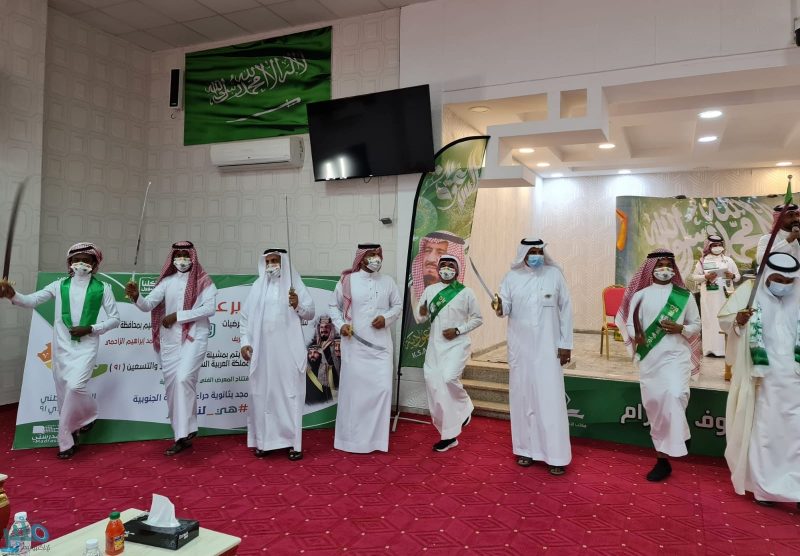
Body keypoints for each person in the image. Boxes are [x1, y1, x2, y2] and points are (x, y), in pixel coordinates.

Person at [0, 243, 119, 459]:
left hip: (86, 346)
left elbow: (115, 319)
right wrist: (12, 294)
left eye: (86, 260)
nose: (80, 263)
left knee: (75, 387)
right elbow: (31, 300)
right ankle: (70, 438)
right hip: (62, 346)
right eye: (76, 259)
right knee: (64, 393)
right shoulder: (58, 285)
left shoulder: (104, 288)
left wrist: (92, 328)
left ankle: (88, 415)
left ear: (94, 264)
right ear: (69, 263)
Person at [719, 251, 800, 508]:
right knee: (766, 434)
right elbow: (725, 321)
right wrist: (738, 321)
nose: (784, 286)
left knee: (795, 434)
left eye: (789, 281)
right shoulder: (749, 293)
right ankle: (765, 488)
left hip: (795, 379)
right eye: (778, 280)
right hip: (762, 379)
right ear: (766, 276)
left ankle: (795, 487)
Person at [615, 249, 701, 481]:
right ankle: (662, 460)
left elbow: (696, 324)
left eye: (669, 265)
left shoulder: (684, 296)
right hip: (650, 358)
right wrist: (637, 335)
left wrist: (682, 328)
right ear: (650, 269)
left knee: (676, 394)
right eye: (660, 265)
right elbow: (630, 323)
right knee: (655, 406)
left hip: (676, 356)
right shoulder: (640, 295)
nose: (665, 269)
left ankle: (681, 433)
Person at [125, 241, 217, 456]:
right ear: (172, 258)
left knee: (184, 379)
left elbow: (209, 309)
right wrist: (136, 296)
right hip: (169, 340)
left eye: (186, 255)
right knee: (173, 386)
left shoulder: (204, 282)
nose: (181, 259)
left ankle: (188, 428)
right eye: (178, 255)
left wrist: (178, 316)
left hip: (194, 337)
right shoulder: (167, 282)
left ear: (192, 257)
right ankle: (181, 435)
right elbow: (148, 305)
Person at [495, 238, 573, 475]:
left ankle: (556, 455)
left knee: (550, 400)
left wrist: (566, 344)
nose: (536, 255)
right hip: (521, 350)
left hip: (549, 349)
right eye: (531, 251)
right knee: (523, 399)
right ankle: (525, 450)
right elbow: (504, 308)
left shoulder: (554, 275)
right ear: (523, 254)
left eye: (539, 251)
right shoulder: (511, 277)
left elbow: (566, 309)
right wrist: (499, 306)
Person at [239, 249, 314, 461]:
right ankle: (265, 442)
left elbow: (310, 312)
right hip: (262, 352)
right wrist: (245, 343)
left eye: (275, 260)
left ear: (284, 262)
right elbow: (245, 318)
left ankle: (293, 444)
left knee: (289, 395)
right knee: (263, 395)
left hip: (287, 352)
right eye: (269, 261)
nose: (271, 264)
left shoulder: (295, 285)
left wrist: (298, 304)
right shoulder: (258, 286)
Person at [330, 244, 402, 453]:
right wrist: (341, 325)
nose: (376, 258)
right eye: (371, 255)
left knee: (382, 390)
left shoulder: (388, 281)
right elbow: (333, 306)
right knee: (355, 394)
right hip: (355, 347)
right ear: (361, 259)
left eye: (378, 254)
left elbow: (397, 306)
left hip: (381, 348)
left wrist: (386, 318)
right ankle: (351, 440)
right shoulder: (347, 281)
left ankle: (376, 441)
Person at [415, 255, 482, 452]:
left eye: (450, 265)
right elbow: (421, 318)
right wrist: (422, 311)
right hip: (435, 346)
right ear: (438, 269)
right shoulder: (430, 290)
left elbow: (478, 318)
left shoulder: (466, 292)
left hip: (457, 345)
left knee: (448, 378)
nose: (446, 268)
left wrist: (458, 330)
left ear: (457, 270)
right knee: (435, 387)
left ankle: (465, 406)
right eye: (442, 265)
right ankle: (449, 436)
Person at [690, 235, 740, 357]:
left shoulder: (728, 260)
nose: (717, 247)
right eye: (714, 245)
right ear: (709, 246)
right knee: (710, 321)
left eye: (719, 245)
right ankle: (710, 349)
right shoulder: (703, 261)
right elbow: (694, 277)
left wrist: (732, 276)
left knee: (725, 319)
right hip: (709, 297)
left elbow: (737, 276)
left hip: (725, 296)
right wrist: (705, 277)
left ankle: (725, 350)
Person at [410, 231, 466, 299]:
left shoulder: (465, 296)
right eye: (428, 251)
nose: (431, 259)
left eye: (440, 252)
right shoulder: (410, 295)